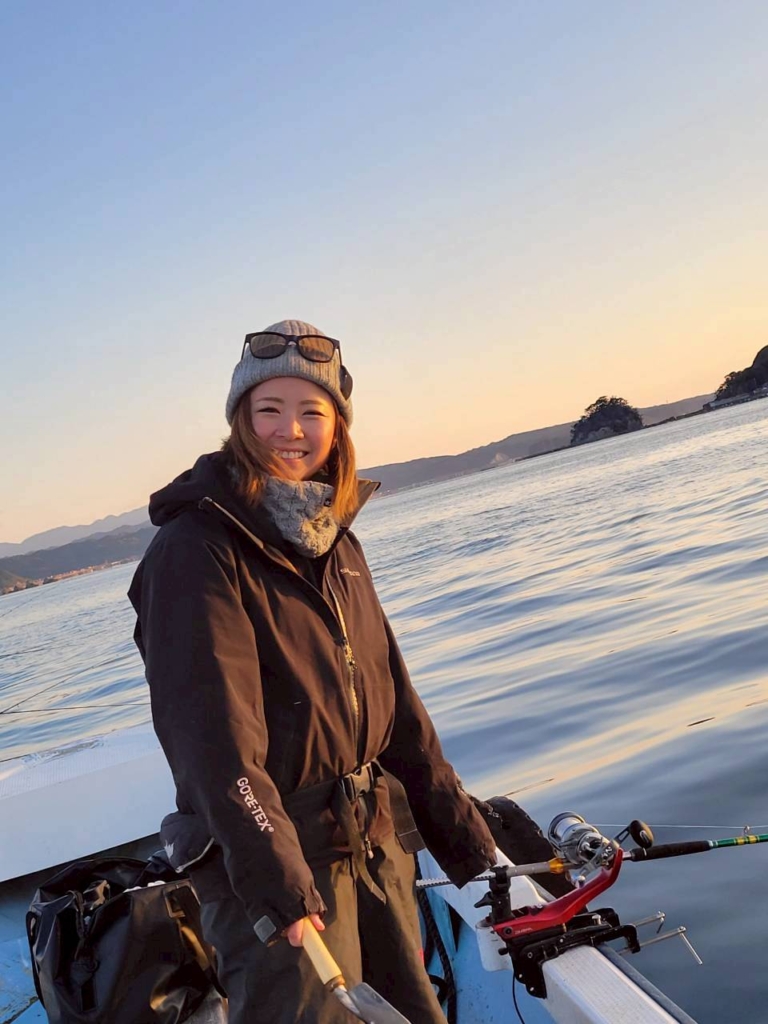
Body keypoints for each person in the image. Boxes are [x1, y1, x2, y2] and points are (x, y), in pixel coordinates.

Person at [128, 319, 497, 1024]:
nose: (290, 430)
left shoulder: (335, 541)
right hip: (279, 857)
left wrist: (471, 847)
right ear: (240, 419)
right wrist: (276, 880)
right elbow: (214, 742)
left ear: (338, 426)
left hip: (372, 846)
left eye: (311, 411)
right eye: (268, 409)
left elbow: (398, 710)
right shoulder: (196, 548)